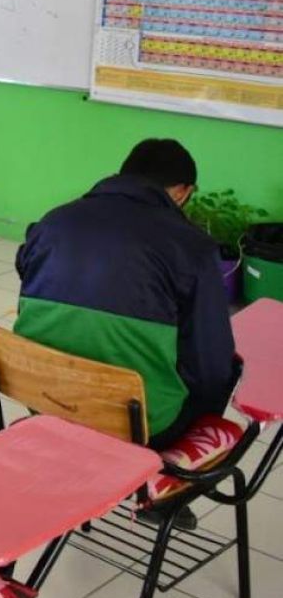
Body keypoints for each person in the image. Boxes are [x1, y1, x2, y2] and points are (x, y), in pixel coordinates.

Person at [15, 138, 237, 454]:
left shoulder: (51, 223)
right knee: (222, 368)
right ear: (182, 192)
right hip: (140, 426)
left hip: (44, 401)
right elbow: (211, 364)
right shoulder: (192, 246)